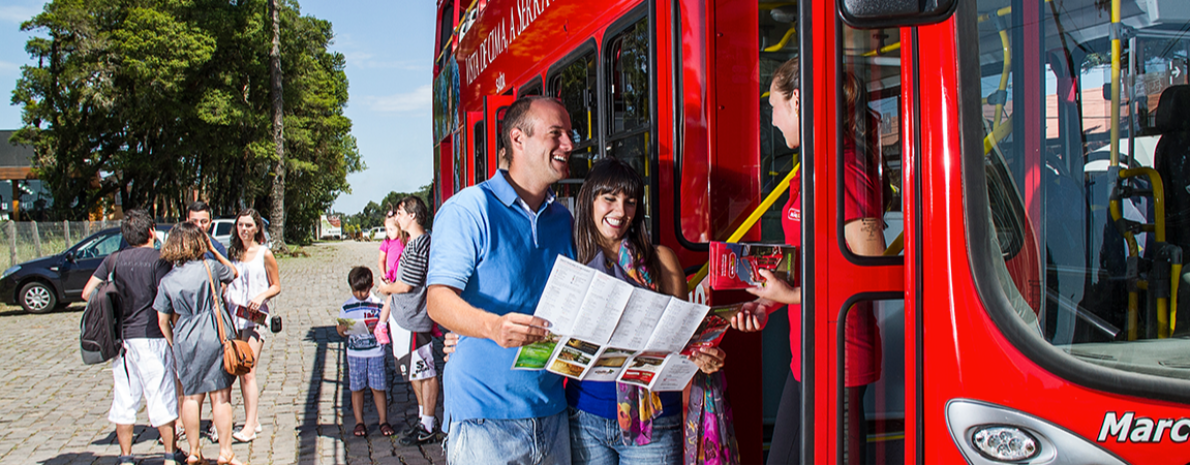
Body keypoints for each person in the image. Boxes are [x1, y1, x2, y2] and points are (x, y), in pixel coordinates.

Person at [730, 59, 884, 465]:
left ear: (797, 101)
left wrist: (793, 294)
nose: (774, 120)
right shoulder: (811, 169)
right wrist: (770, 299)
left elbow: (868, 273)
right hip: (811, 356)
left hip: (839, 358)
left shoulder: (844, 170)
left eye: (774, 106)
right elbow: (820, 263)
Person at [427, 95, 576, 464]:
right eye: (556, 134)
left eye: (569, 135)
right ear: (518, 139)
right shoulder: (467, 210)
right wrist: (491, 326)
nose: (569, 145)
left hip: (552, 412)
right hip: (484, 420)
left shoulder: (564, 219)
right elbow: (437, 300)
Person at [566, 158, 726, 464]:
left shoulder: (661, 260)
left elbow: (683, 337)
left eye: (630, 201)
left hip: (654, 422)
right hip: (584, 417)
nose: (620, 211)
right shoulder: (572, 260)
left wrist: (703, 355)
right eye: (609, 199)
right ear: (589, 200)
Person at [81, 210, 179, 465]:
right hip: (153, 336)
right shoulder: (159, 260)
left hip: (122, 341)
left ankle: (125, 457)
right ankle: (169, 454)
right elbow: (167, 298)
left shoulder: (113, 259)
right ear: (151, 232)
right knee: (162, 395)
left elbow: (86, 292)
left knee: (124, 399)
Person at [154, 222, 242, 465]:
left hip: (185, 335)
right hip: (214, 333)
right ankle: (225, 451)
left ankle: (193, 450)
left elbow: (162, 321)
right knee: (220, 396)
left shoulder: (168, 280)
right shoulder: (210, 267)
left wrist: (175, 343)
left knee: (192, 397)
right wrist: (214, 251)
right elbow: (233, 272)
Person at [376, 196, 440, 446]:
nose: (397, 217)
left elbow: (407, 284)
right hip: (405, 318)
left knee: (425, 370)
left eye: (401, 212)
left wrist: (385, 288)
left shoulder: (418, 245)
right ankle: (424, 417)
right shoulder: (415, 242)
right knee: (414, 370)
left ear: (412, 215)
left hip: (413, 318)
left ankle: (428, 423)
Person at [224, 208, 282, 443]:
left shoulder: (264, 254)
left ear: (257, 227)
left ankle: (249, 426)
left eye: (249, 225)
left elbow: (276, 285)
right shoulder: (233, 253)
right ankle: (253, 419)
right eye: (241, 225)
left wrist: (262, 297)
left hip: (256, 318)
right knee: (238, 368)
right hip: (233, 315)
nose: (244, 230)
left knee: (248, 369)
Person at [337, 267, 393, 437]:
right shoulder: (347, 306)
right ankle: (359, 421)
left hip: (375, 352)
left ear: (371, 286)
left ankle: (383, 420)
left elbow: (387, 325)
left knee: (378, 387)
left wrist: (377, 327)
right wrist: (343, 328)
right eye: (356, 290)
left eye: (364, 290)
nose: (360, 294)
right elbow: (340, 330)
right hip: (355, 353)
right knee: (357, 388)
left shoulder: (378, 305)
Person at [378, 206, 406, 285]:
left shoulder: (405, 240)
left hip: (404, 274)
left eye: (391, 229)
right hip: (391, 276)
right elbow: (381, 260)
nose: (388, 232)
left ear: (399, 228)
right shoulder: (386, 242)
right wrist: (384, 276)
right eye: (386, 229)